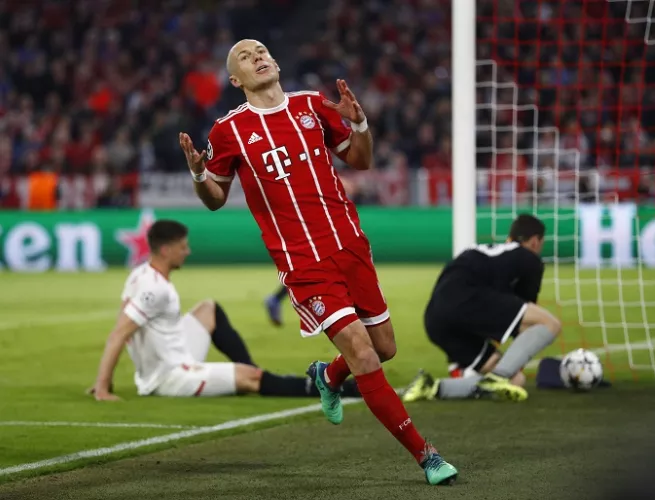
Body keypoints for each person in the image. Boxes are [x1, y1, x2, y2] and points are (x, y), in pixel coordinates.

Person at [176, 38, 479, 485]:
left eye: (262, 51)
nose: (257, 56)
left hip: (350, 246)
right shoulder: (228, 131)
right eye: (245, 56)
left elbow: (362, 160)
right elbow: (215, 200)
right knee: (362, 352)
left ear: (275, 62)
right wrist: (201, 174)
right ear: (235, 79)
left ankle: (327, 375)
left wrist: (359, 125)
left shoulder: (313, 106)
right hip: (303, 262)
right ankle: (427, 455)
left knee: (384, 349)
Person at [89, 220, 360, 400]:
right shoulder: (154, 289)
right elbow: (118, 334)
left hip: (173, 351)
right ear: (165, 249)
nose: (189, 252)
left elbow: (123, 319)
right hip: (169, 377)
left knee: (208, 308)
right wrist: (103, 387)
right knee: (251, 379)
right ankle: (340, 388)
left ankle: (249, 369)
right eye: (183, 247)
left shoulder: (141, 275)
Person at [402, 214, 561, 403]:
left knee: (516, 381)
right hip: (468, 299)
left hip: (434, 318)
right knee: (550, 324)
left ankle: (433, 387)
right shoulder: (529, 259)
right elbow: (527, 320)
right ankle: (499, 376)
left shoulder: (486, 252)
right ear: (535, 241)